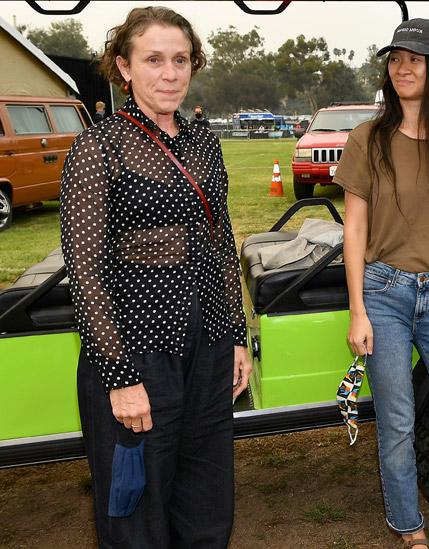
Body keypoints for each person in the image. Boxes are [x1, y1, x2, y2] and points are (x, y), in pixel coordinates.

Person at [59, 7, 251, 547]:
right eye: (154, 60)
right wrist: (119, 377)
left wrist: (235, 334)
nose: (170, 74)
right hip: (136, 354)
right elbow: (85, 272)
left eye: (181, 60)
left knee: (208, 505)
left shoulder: (204, 142)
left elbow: (220, 242)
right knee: (135, 513)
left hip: (208, 348)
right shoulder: (99, 147)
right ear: (124, 67)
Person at [335, 18, 429, 549]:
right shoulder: (367, 138)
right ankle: (411, 530)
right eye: (396, 58)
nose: (402, 67)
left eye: (415, 59)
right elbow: (353, 228)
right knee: (397, 425)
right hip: (383, 293)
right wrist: (357, 308)